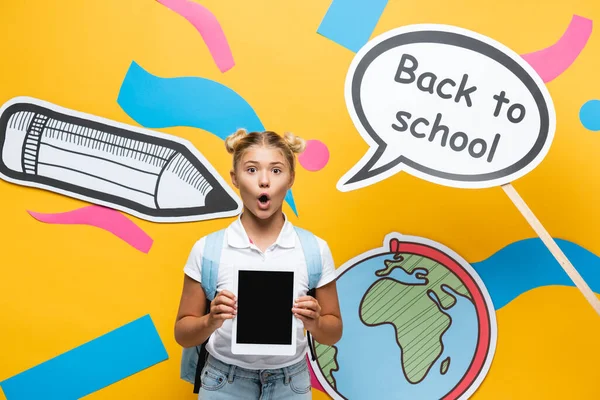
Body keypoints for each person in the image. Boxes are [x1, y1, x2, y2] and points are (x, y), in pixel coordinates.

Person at [174, 129, 342, 399]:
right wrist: (211, 319)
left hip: (292, 383)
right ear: (235, 179)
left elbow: (333, 333)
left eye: (276, 171)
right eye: (251, 170)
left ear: (291, 179)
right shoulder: (208, 249)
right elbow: (183, 334)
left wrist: (316, 321)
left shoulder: (314, 250)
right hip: (223, 382)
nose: (264, 181)